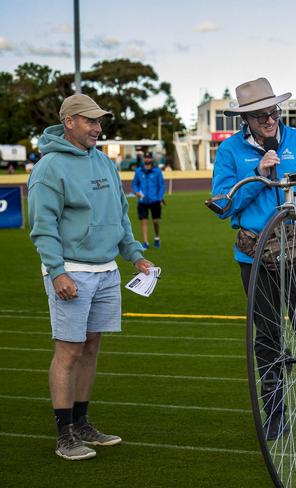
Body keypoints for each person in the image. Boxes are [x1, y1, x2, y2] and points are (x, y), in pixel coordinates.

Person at [28, 93, 154, 461]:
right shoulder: (49, 167)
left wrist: (135, 256)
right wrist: (57, 272)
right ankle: (64, 434)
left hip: (106, 271)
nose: (99, 128)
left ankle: (82, 423)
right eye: (91, 121)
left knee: (92, 346)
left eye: (100, 122)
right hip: (71, 272)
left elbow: (120, 215)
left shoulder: (103, 161)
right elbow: (42, 227)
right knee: (68, 350)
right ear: (69, 121)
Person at [211, 77, 296, 441]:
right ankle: (276, 415)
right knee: (267, 336)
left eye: (273, 111)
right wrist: (258, 176)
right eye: (260, 115)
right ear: (245, 119)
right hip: (254, 256)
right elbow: (223, 205)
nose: (270, 119)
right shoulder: (230, 151)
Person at [132, 152, 166, 249]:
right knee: (144, 221)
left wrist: (159, 198)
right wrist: (136, 192)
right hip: (142, 201)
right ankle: (145, 242)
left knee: (155, 221)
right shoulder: (139, 171)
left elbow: (161, 185)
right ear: (144, 159)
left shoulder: (157, 171)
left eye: (149, 158)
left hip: (154, 200)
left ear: (152, 159)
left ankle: (157, 237)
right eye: (145, 157)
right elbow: (135, 183)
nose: (147, 159)